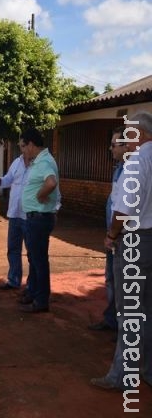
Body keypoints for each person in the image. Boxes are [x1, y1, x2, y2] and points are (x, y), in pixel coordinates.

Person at [92, 111, 152, 391]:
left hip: (134, 240)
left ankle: (121, 375)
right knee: (148, 308)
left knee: (128, 311)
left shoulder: (137, 161)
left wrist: (111, 234)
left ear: (139, 134)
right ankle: (147, 370)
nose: (125, 141)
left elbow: (124, 209)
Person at [88, 126, 126, 333]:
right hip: (112, 235)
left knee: (122, 283)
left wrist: (113, 234)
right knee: (111, 278)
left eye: (114, 145)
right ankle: (112, 320)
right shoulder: (118, 168)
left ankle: (122, 327)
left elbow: (124, 209)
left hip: (121, 236)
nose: (110, 149)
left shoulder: (132, 171)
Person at [19, 128, 60, 313]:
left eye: (22, 146)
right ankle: (34, 293)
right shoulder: (39, 161)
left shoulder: (44, 162)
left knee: (39, 260)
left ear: (31, 144)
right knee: (34, 259)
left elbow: (51, 182)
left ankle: (41, 300)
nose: (22, 150)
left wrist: (41, 194)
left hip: (39, 217)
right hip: (35, 217)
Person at [0, 142, 31, 291]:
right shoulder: (17, 162)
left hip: (29, 215)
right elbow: (7, 180)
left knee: (32, 252)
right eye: (20, 145)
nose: (21, 148)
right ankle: (13, 279)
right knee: (13, 249)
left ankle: (32, 284)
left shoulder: (38, 165)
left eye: (24, 145)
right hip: (14, 213)